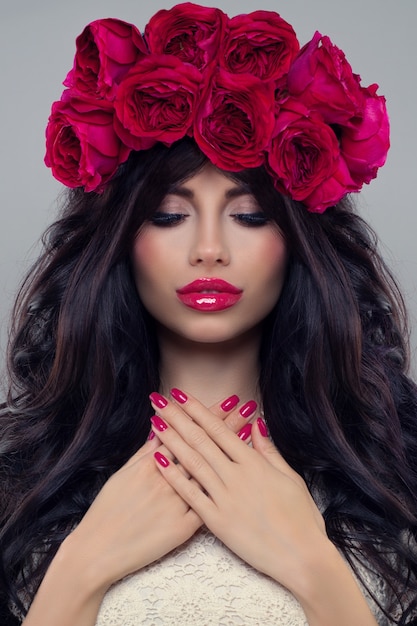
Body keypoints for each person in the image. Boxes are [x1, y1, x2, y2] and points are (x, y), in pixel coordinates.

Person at [0, 3, 416, 625]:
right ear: (122, 238)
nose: (209, 249)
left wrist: (310, 562)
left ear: (297, 240)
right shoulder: (25, 474)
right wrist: (84, 563)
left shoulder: (394, 467)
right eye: (170, 215)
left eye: (249, 215)